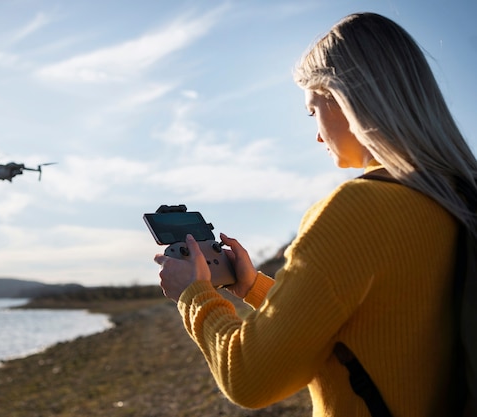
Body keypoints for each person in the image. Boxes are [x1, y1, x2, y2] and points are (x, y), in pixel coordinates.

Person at [154, 12, 477, 416]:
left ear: (347, 99)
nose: (318, 134)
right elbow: (366, 325)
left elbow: (250, 379)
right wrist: (253, 288)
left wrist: (194, 294)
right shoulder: (456, 196)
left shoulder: (356, 210)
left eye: (313, 110)